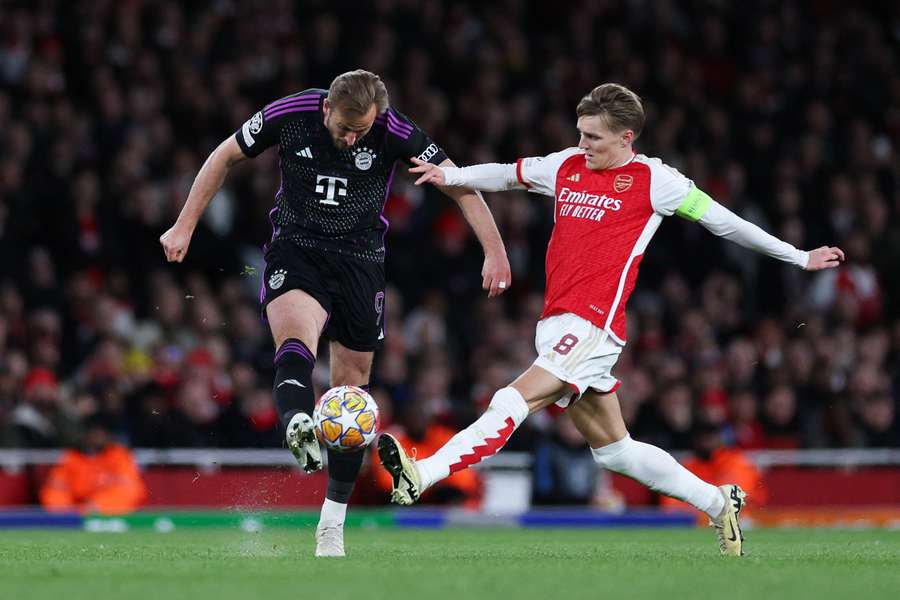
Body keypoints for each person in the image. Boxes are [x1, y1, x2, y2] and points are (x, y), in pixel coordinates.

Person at [378, 83, 844, 556]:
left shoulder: (656, 181)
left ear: (626, 138)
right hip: (557, 324)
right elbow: (507, 174)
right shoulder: (566, 166)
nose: (583, 144)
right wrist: (450, 175)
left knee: (509, 399)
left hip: (593, 326)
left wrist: (799, 257)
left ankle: (423, 473)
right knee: (617, 452)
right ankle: (718, 502)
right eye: (580, 134)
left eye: (594, 138)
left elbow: (724, 221)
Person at [159, 70, 510, 557]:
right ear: (326, 109)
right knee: (295, 341)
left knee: (352, 389)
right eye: (344, 128)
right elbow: (226, 154)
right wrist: (184, 224)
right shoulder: (293, 112)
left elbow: (457, 182)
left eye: (360, 132)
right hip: (297, 248)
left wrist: (494, 251)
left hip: (361, 262)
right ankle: (299, 423)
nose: (350, 139)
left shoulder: (393, 129)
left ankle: (331, 524)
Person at [40, 415, 147, 515]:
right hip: (74, 514)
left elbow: (130, 489)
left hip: (107, 514)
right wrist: (65, 512)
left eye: (102, 433)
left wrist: (98, 506)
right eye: (94, 432)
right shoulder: (70, 458)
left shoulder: (118, 455)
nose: (98, 437)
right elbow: (54, 490)